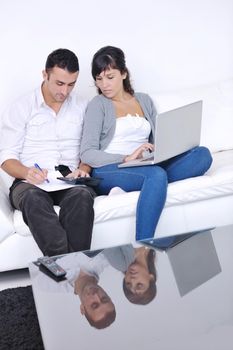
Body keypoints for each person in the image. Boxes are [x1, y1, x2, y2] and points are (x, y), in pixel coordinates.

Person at [80, 45, 213, 241]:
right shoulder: (98, 105)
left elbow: (158, 137)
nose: (104, 85)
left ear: (124, 73)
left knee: (202, 154)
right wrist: (127, 157)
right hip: (110, 168)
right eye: (99, 79)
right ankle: (144, 243)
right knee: (156, 175)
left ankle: (151, 184)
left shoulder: (143, 100)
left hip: (144, 164)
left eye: (110, 77)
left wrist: (164, 149)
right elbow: (87, 153)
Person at [0, 48, 96, 256]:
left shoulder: (82, 106)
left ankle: (65, 273)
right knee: (34, 200)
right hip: (29, 182)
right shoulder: (22, 107)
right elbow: (6, 158)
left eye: (71, 84)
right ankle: (75, 270)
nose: (65, 91)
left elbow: (89, 149)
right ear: (45, 75)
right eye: (59, 83)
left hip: (68, 179)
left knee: (82, 196)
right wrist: (26, 172)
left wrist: (83, 169)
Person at [35, 251, 116, 329]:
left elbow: (42, 260)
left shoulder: (47, 283)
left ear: (82, 309)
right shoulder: (105, 258)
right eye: (104, 299)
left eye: (94, 305)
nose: (96, 295)